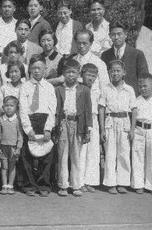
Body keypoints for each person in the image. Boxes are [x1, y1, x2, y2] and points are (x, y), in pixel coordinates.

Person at [18, 54, 57, 197]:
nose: (36, 71)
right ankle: (30, 185)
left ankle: (44, 184)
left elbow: (53, 109)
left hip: (45, 120)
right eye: (33, 68)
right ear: (29, 70)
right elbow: (23, 109)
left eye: (39, 68)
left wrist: (48, 129)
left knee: (46, 155)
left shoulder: (49, 87)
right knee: (27, 155)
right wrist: (28, 129)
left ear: (45, 69)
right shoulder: (25, 87)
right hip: (30, 121)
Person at [98, 60, 138, 195]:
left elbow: (134, 110)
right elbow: (102, 109)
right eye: (112, 71)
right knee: (110, 154)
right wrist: (102, 129)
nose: (115, 73)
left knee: (124, 154)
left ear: (124, 73)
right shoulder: (105, 89)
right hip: (110, 122)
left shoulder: (129, 89)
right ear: (109, 73)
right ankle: (110, 183)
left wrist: (132, 129)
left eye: (118, 71)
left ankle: (122, 182)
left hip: (125, 123)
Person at [55, 59, 92, 197]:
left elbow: (88, 111)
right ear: (63, 73)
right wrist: (56, 128)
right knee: (62, 155)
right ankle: (63, 184)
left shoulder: (84, 90)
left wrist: (88, 130)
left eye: (74, 72)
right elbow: (56, 109)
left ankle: (76, 185)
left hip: (78, 124)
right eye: (68, 72)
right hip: (63, 123)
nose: (71, 75)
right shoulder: (59, 89)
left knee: (76, 156)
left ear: (78, 74)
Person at [101, 21, 149, 95]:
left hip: (132, 97)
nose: (116, 37)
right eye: (113, 34)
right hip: (112, 97)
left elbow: (144, 79)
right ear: (109, 36)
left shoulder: (137, 54)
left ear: (125, 35)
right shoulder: (105, 55)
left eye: (119, 34)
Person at [78, 63, 101, 193]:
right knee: (81, 153)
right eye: (88, 75)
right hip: (82, 120)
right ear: (82, 75)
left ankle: (90, 181)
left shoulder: (97, 91)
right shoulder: (79, 88)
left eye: (93, 76)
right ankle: (80, 181)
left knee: (93, 153)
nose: (90, 78)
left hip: (94, 121)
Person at [0, 96, 23, 195]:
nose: (9, 108)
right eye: (6, 105)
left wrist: (18, 148)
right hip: (3, 147)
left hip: (13, 147)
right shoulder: (0, 120)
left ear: (16, 107)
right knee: (4, 167)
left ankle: (10, 185)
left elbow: (20, 135)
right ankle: (4, 185)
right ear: (3, 107)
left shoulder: (17, 120)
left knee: (12, 167)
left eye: (11, 106)